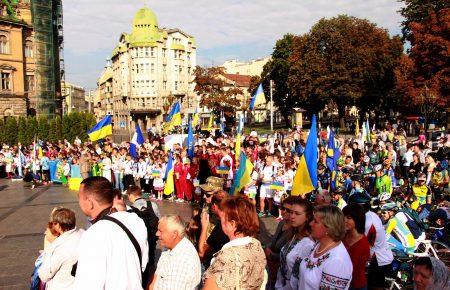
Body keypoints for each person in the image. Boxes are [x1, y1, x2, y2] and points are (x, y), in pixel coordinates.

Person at [74, 176, 149, 290]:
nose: (78, 202)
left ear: (90, 203)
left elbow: (87, 285)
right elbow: (143, 263)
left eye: (79, 198)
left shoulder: (93, 235)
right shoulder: (136, 220)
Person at [203, 196, 266, 290]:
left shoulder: (227, 257)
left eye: (222, 219)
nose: (221, 222)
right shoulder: (256, 244)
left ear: (232, 224)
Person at [297, 205, 353, 290]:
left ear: (329, 228)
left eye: (315, 221)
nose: (310, 223)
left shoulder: (337, 261)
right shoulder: (319, 244)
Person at [149, 215, 201, 290]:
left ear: (174, 234)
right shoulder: (169, 245)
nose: (156, 234)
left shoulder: (181, 262)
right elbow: (157, 275)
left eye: (161, 231)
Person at [38, 208, 84, 289]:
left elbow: (44, 276)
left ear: (58, 226)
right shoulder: (83, 233)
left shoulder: (59, 248)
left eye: (54, 223)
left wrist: (49, 249)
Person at [276, 198, 315, 290]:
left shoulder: (308, 244)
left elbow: (299, 278)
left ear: (308, 217)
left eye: (297, 214)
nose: (292, 216)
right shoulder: (293, 233)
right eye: (291, 212)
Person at [266, 197, 295, 288]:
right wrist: (266, 247)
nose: (284, 211)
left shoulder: (294, 229)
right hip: (272, 266)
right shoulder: (282, 222)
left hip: (282, 270)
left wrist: (272, 255)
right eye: (283, 208)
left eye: (288, 210)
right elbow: (274, 240)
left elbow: (289, 254)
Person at [342, 204, 370, 290]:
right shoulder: (343, 235)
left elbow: (353, 269)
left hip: (356, 285)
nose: (344, 220)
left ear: (358, 220)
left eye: (349, 218)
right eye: (344, 217)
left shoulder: (363, 244)